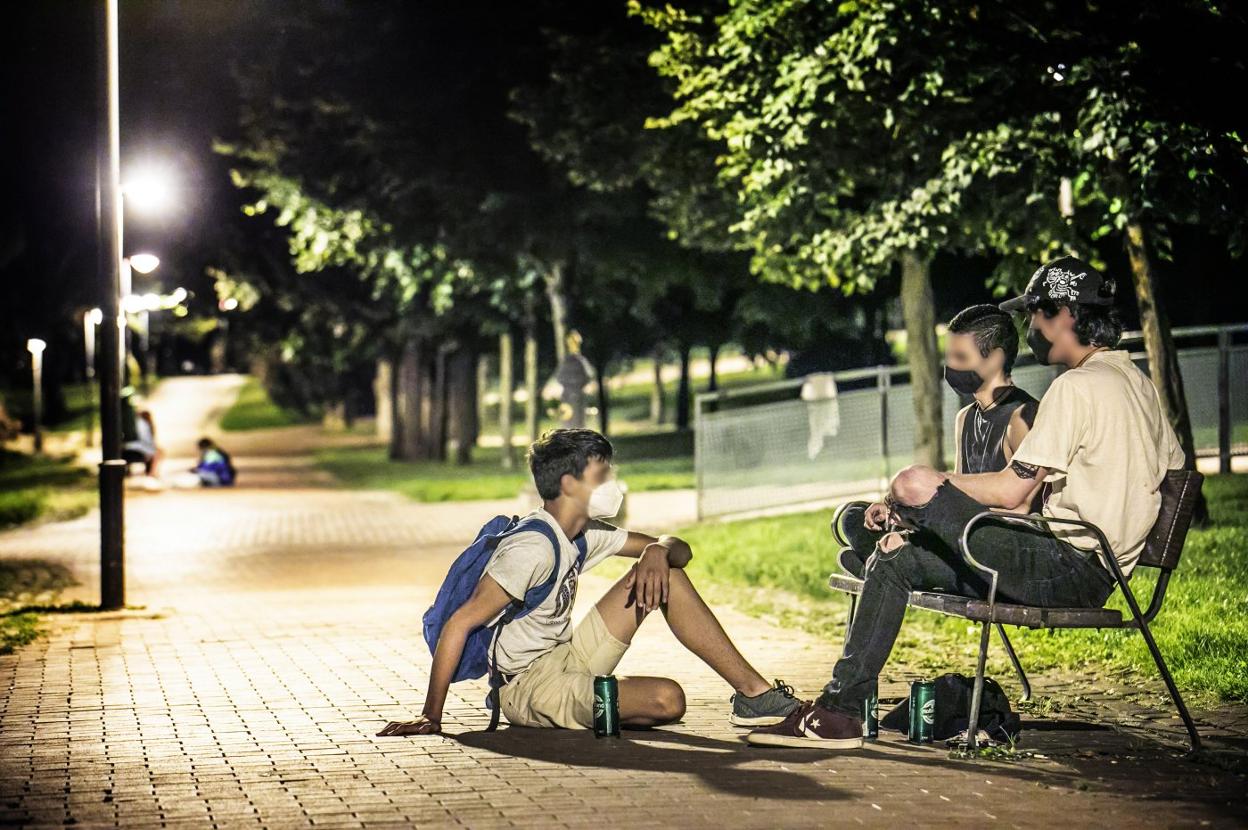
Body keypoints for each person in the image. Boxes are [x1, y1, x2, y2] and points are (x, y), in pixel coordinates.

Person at [749, 255, 1185, 749]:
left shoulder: (1077, 387)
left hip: (1069, 563)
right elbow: (1173, 474)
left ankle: (840, 711)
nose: (1031, 329)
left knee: (912, 491)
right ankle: (840, 709)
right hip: (1096, 565)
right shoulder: (1139, 384)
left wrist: (932, 485)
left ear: (1064, 315)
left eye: (1035, 316)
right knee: (895, 559)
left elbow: (1014, 492)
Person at [378, 428, 801, 736]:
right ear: (569, 483)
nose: (612, 482)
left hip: (569, 657)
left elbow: (680, 551)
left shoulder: (584, 534)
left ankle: (754, 696)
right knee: (668, 700)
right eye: (602, 473)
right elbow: (460, 623)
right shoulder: (532, 548)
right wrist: (432, 717)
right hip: (530, 687)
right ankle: (601, 706)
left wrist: (657, 549)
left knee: (666, 569)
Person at [838, 304, 1041, 578]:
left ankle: (879, 566)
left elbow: (1022, 506)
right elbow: (958, 492)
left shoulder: (1024, 416)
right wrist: (900, 512)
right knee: (853, 516)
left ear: (995, 359)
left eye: (960, 357)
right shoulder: (964, 418)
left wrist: (929, 519)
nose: (951, 367)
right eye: (949, 357)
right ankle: (883, 563)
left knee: (895, 543)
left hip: (992, 540)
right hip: (959, 528)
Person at [122, 409, 162, 477]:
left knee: (158, 452)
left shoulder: (139, 423)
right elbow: (144, 440)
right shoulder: (142, 423)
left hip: (136, 446)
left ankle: (151, 473)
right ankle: (151, 473)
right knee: (158, 453)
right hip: (137, 446)